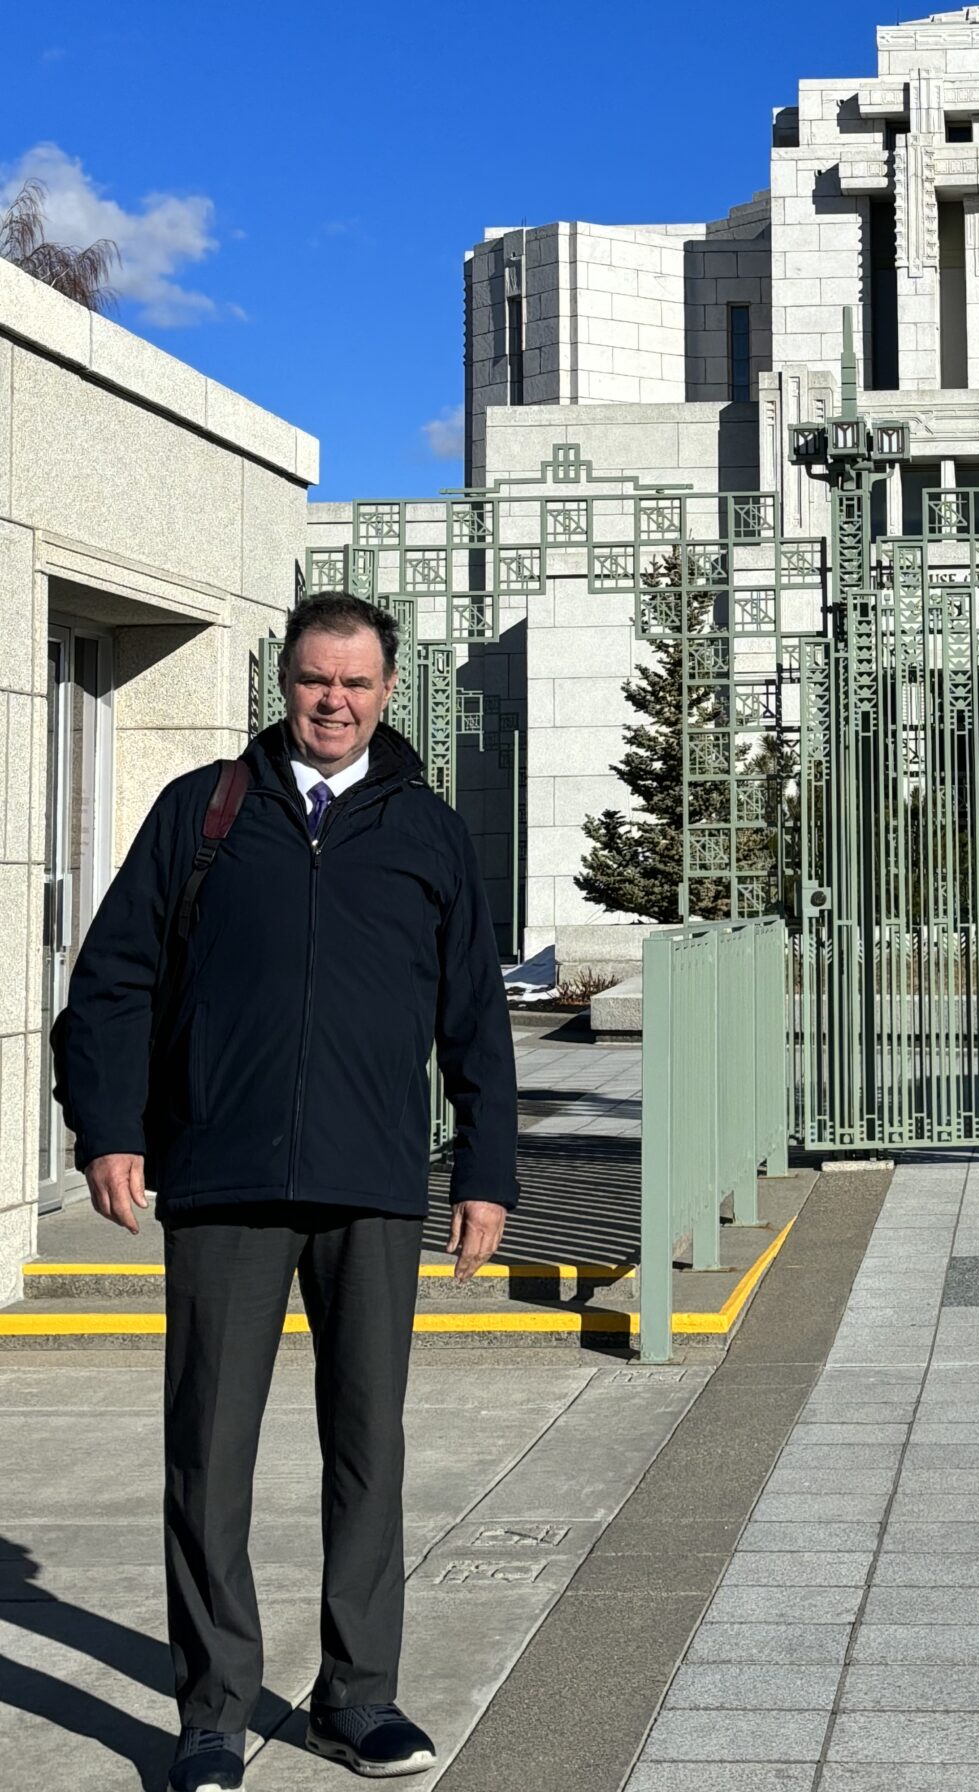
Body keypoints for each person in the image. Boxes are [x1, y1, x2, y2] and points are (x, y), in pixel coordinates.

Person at [56, 592, 519, 1789]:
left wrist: (487, 1171)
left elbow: (475, 1017)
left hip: (372, 1186)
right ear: (284, 678)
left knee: (368, 1446)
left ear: (388, 690)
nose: (335, 701)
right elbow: (108, 983)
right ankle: (212, 1709)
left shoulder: (426, 832)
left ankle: (355, 1700)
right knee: (208, 1451)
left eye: (358, 684)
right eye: (317, 679)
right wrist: (107, 1130)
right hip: (222, 1184)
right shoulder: (202, 813)